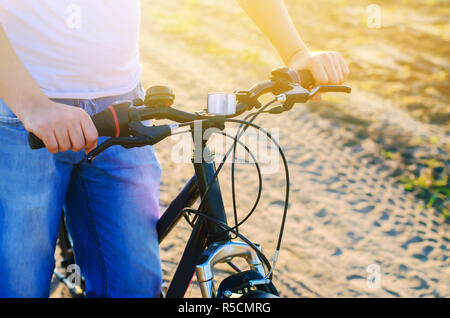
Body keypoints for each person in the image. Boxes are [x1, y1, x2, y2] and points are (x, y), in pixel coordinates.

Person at [0, 0, 349, 297]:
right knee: (17, 285)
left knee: (135, 285)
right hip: (22, 115)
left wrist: (296, 52)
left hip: (122, 108)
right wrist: (32, 105)